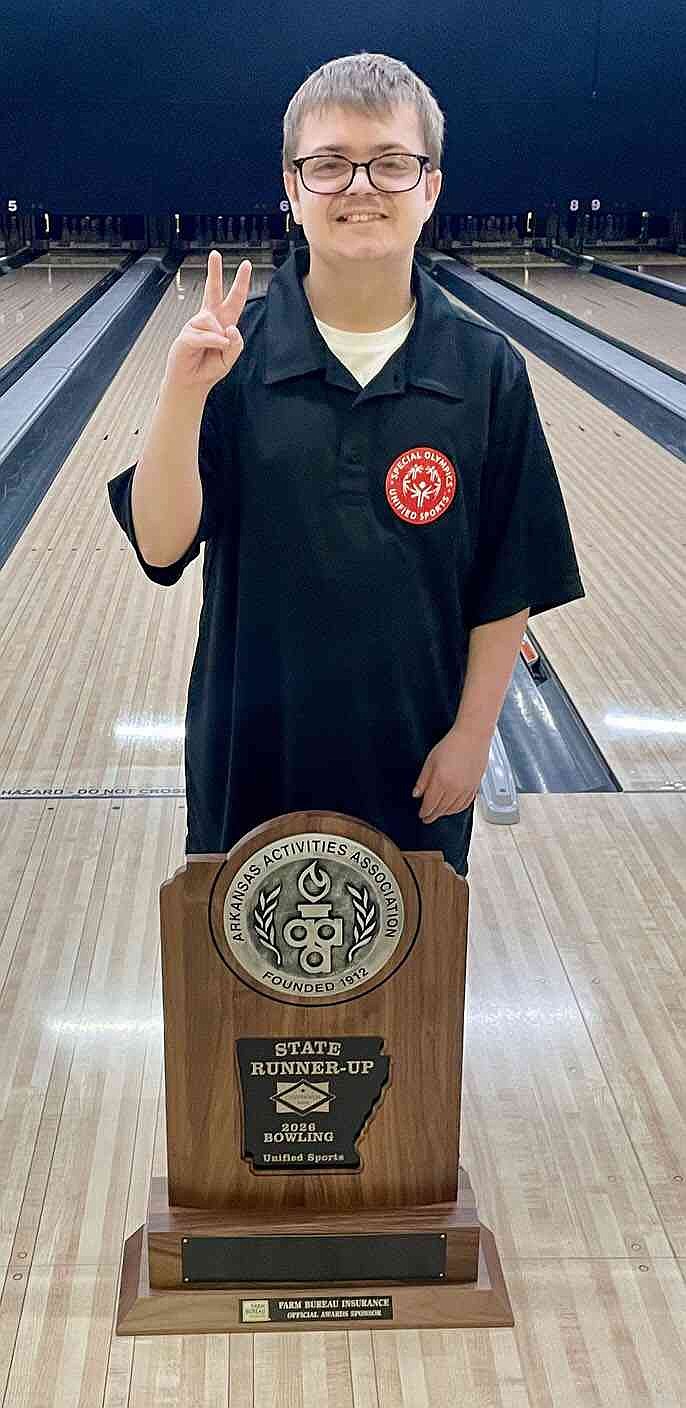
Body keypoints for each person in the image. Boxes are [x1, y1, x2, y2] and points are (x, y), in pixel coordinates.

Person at [107, 52, 585, 878]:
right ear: (291, 192)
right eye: (328, 166)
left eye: (392, 164)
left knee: (410, 1001)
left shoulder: (486, 370)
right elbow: (159, 544)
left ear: (431, 189)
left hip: (418, 763)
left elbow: (510, 579)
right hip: (248, 761)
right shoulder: (235, 357)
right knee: (245, 1003)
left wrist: (474, 739)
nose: (360, 186)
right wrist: (183, 395)